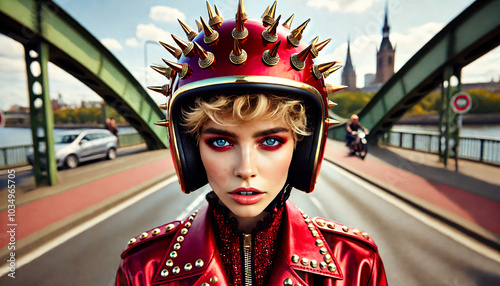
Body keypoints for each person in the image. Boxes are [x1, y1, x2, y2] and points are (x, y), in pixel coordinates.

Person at [116, 1, 387, 285]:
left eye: (270, 141)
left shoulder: (358, 264)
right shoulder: (141, 269)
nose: (246, 170)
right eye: (221, 142)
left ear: (302, 148)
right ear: (190, 150)